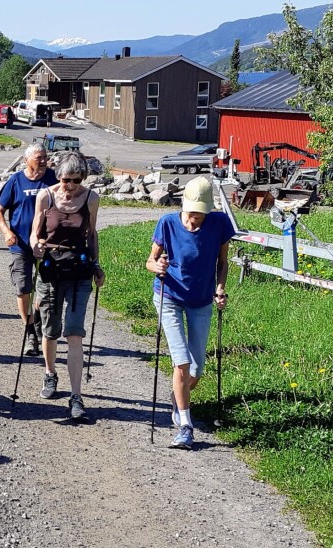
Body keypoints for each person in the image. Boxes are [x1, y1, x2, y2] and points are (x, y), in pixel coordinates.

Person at [145, 176, 234, 450]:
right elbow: (150, 261)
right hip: (169, 296)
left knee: (196, 369)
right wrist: (158, 267)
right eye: (192, 213)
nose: (196, 219)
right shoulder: (167, 223)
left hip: (201, 300)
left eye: (201, 214)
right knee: (181, 362)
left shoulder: (220, 223)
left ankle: (178, 397)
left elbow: (222, 263)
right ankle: (185, 426)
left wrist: (220, 288)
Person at [28, 151, 105, 421]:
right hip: (51, 270)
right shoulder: (45, 196)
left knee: (74, 333)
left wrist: (97, 265)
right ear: (58, 176)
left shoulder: (91, 198)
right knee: (50, 331)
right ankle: (50, 374)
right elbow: (35, 233)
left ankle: (76, 395)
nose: (70, 185)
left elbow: (91, 234)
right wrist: (36, 247)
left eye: (76, 180)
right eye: (65, 179)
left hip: (79, 272)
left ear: (82, 178)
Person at [0, 144, 55, 357]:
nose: (44, 160)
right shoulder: (16, 181)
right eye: (39, 157)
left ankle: (37, 322)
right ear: (26, 160)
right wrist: (6, 232)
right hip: (20, 244)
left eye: (45, 156)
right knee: (23, 288)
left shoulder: (54, 179)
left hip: (47, 245)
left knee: (45, 289)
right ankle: (30, 332)